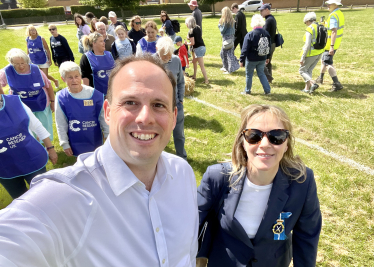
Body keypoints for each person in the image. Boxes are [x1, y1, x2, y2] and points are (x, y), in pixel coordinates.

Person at [0, 54, 198, 267]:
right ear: (108, 112)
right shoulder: (65, 197)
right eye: (130, 102)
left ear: (173, 116)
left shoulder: (183, 173)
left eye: (159, 105)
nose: (145, 117)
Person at [197, 104, 322, 267]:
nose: (264, 144)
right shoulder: (217, 177)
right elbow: (190, 228)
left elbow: (307, 238)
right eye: (254, 135)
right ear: (243, 142)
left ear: (286, 144)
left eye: (276, 136)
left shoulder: (302, 182)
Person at [0, 94, 57, 199]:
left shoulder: (15, 102)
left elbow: (36, 125)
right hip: (5, 166)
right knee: (21, 201)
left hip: (31, 158)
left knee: (44, 195)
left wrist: (50, 148)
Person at [56, 61, 109, 157]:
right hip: (75, 140)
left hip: (94, 139)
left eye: (76, 76)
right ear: (63, 79)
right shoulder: (61, 97)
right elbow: (60, 122)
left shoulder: (94, 94)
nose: (74, 80)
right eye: (70, 77)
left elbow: (103, 117)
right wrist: (64, 143)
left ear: (81, 76)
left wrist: (107, 134)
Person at [0, 48, 55, 140]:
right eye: (16, 64)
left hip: (41, 103)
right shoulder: (6, 71)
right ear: (11, 63)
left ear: (27, 61)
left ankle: (48, 147)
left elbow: (48, 86)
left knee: (44, 125)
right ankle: (34, 148)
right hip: (21, 106)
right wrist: (4, 99)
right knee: (27, 128)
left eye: (23, 63)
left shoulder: (36, 70)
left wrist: (52, 101)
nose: (21, 66)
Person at [156, 37, 187, 161]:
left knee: (179, 134)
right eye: (164, 56)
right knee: (158, 134)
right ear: (157, 49)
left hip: (175, 104)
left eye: (169, 56)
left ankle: (182, 158)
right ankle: (157, 158)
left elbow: (180, 81)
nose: (166, 59)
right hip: (157, 106)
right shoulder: (150, 62)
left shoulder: (176, 61)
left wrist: (180, 99)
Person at [315, 0, 344, 92]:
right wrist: (325, 24)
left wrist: (331, 46)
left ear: (335, 4)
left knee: (327, 62)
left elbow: (334, 31)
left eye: (329, 4)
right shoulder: (339, 13)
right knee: (324, 60)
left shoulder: (333, 16)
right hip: (335, 43)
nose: (327, 5)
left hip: (330, 44)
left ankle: (337, 83)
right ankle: (320, 78)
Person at [240, 14, 271, 95]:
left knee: (249, 74)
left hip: (251, 59)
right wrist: (268, 57)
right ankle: (267, 90)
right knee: (261, 73)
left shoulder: (250, 34)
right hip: (262, 57)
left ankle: (247, 90)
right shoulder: (266, 33)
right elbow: (269, 46)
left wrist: (241, 60)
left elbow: (245, 49)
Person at [299, 12, 324, 94]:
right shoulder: (320, 26)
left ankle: (313, 83)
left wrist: (302, 57)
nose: (306, 24)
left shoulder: (310, 28)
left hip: (311, 53)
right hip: (319, 52)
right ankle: (306, 89)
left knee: (302, 71)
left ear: (308, 21)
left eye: (305, 23)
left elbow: (307, 45)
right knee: (309, 70)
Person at [185, 16, 208, 84]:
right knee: (194, 62)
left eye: (186, 23)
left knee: (201, 66)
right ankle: (194, 75)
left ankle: (206, 80)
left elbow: (192, 43)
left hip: (198, 49)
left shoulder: (191, 31)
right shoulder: (198, 28)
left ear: (188, 23)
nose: (186, 25)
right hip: (202, 47)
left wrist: (187, 43)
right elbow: (195, 37)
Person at [218, 7, 240, 74]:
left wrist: (219, 25)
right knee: (223, 53)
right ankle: (225, 67)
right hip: (231, 38)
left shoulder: (226, 21)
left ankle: (230, 69)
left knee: (228, 54)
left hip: (227, 39)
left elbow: (222, 31)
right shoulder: (231, 20)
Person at [259, 3, 276, 83]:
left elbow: (263, 33)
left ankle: (267, 78)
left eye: (262, 11)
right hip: (271, 43)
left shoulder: (269, 20)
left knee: (265, 61)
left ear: (267, 10)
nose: (260, 13)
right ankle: (268, 78)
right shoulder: (271, 18)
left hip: (268, 44)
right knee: (267, 62)